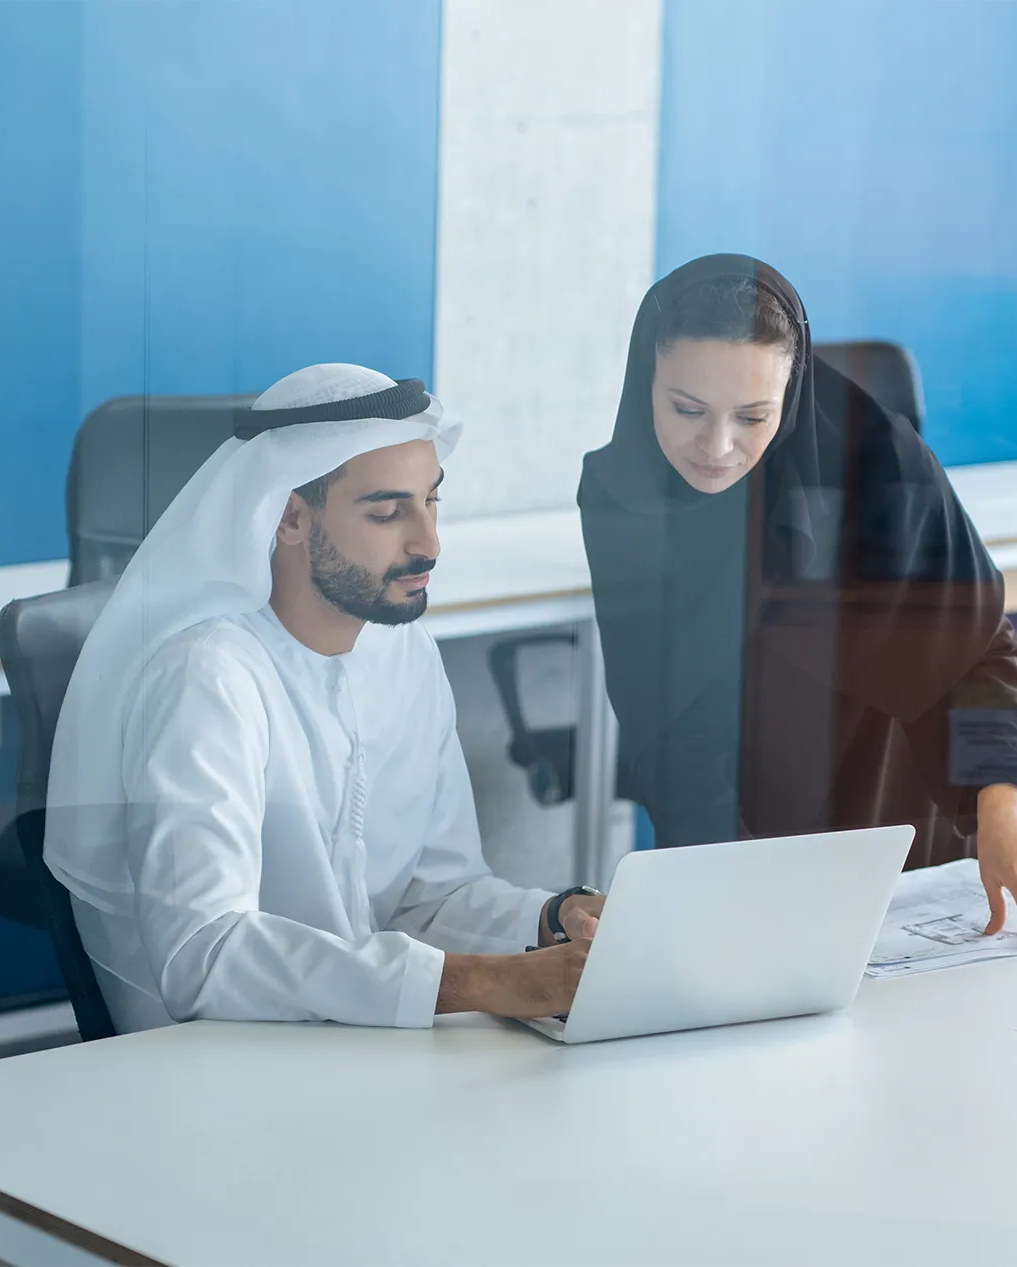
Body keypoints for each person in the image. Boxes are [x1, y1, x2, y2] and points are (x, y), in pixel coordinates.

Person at [46, 364, 603, 1032]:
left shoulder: (406, 655)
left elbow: (428, 898)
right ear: (288, 518)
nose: (429, 542)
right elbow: (205, 955)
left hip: (357, 1046)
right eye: (387, 511)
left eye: (432, 501)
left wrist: (552, 920)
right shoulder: (208, 677)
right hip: (218, 1069)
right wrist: (484, 981)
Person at [577, 255, 1017, 946]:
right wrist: (726, 876)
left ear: (793, 389)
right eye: (687, 409)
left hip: (890, 795)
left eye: (753, 416)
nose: (717, 447)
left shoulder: (877, 460)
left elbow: (975, 651)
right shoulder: (626, 494)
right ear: (645, 381)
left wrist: (1003, 806)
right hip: (731, 811)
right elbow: (668, 723)